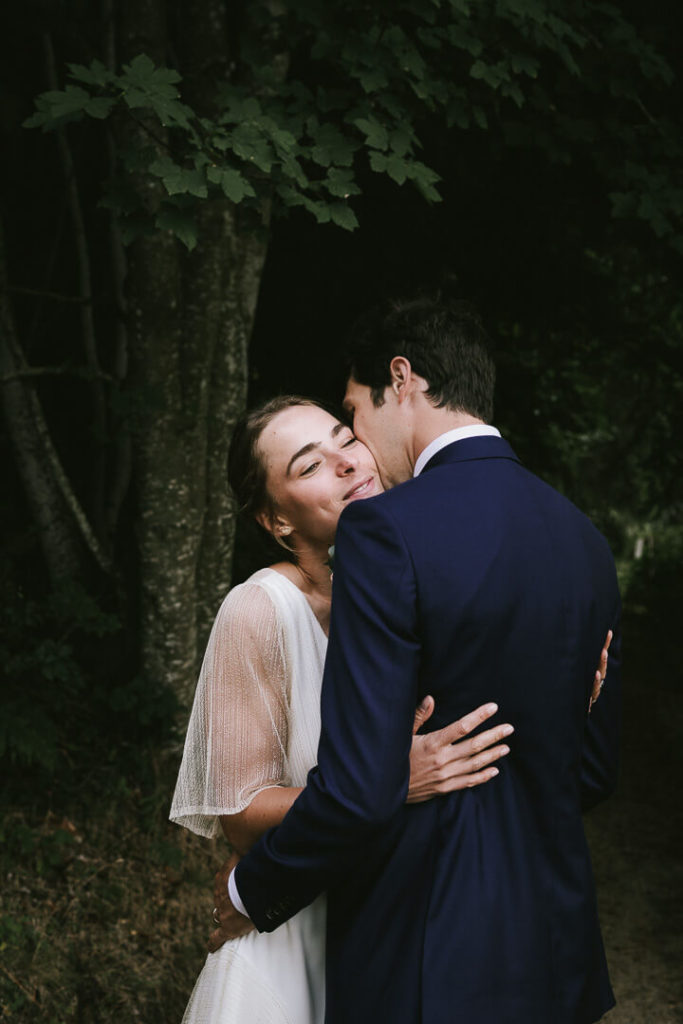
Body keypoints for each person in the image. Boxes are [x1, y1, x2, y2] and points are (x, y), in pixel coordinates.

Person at [211, 298, 621, 1024]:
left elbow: (362, 790)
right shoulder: (581, 538)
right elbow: (587, 772)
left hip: (429, 952)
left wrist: (249, 890)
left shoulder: (385, 531)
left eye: (350, 415)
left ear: (400, 379)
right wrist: (563, 709)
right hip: (554, 955)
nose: (356, 447)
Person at [170, 395, 521, 1023]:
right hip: (294, 932)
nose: (345, 463)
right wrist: (393, 781)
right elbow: (241, 814)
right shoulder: (260, 611)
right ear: (276, 520)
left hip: (402, 924)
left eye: (344, 438)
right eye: (308, 466)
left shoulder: (417, 588)